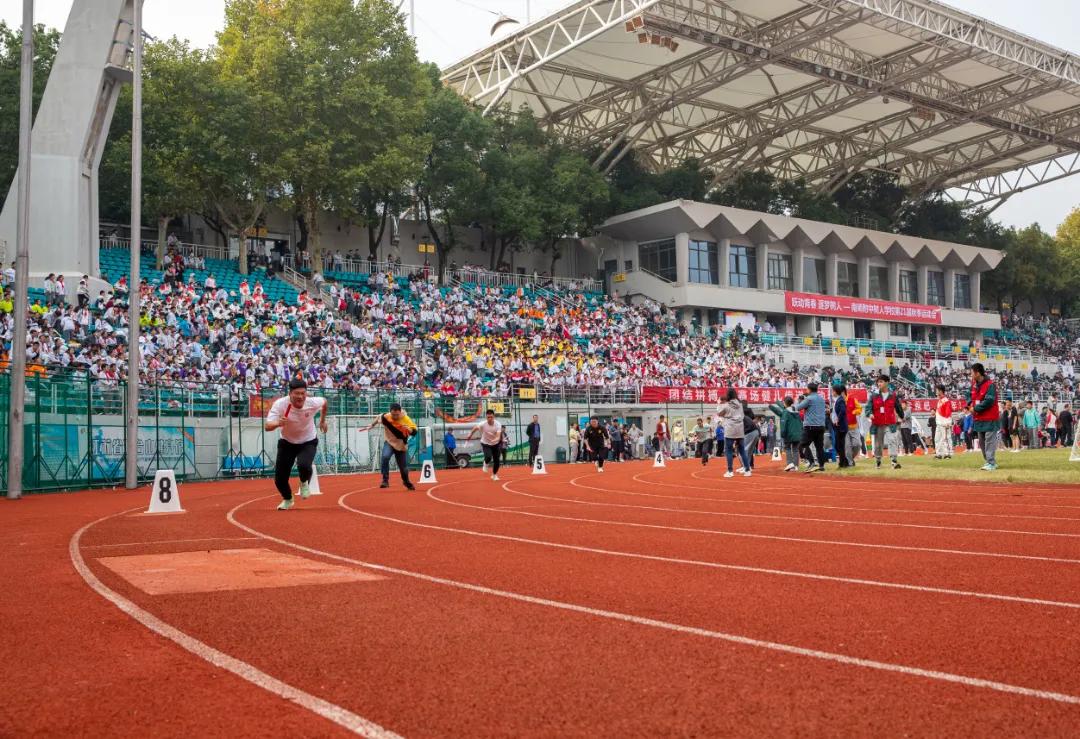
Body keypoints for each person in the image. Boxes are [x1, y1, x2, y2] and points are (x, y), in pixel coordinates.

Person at [264, 378, 328, 510]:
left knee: (304, 465)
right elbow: (267, 426)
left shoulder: (311, 402)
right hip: (287, 442)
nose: (300, 397)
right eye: (297, 393)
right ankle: (288, 499)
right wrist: (278, 423)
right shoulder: (280, 404)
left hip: (308, 441)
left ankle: (304, 482)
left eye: (303, 393)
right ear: (290, 393)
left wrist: (322, 421)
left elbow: (325, 402)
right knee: (280, 480)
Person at [365, 402, 417, 490]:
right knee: (385, 457)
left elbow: (415, 431)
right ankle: (385, 480)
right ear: (390, 412)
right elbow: (378, 417)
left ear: (400, 412)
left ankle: (406, 482)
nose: (395, 416)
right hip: (389, 442)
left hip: (401, 445)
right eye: (393, 414)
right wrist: (372, 425)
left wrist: (409, 430)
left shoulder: (406, 419)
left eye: (397, 414)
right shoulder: (386, 416)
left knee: (403, 468)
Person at [864, 374, 903, 470]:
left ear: (887, 382)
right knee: (878, 445)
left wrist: (902, 416)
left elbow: (898, 407)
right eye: (878, 382)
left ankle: (894, 461)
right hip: (877, 424)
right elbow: (868, 408)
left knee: (892, 441)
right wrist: (869, 414)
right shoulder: (873, 395)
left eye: (881, 381)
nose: (879, 383)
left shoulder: (893, 395)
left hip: (890, 423)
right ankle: (878, 461)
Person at [970, 363, 1000, 471]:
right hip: (979, 418)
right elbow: (971, 397)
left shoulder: (990, 384)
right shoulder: (974, 384)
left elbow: (989, 401)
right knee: (982, 442)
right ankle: (988, 461)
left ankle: (991, 463)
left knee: (989, 441)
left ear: (977, 373)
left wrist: (976, 408)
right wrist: (968, 405)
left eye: (972, 372)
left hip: (990, 418)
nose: (971, 375)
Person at [716, 388, 751, 478]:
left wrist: (719, 403)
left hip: (730, 429)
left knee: (728, 450)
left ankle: (730, 471)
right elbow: (742, 416)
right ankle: (747, 470)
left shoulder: (726, 405)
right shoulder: (740, 405)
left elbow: (719, 413)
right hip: (739, 428)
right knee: (742, 450)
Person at [795, 382, 827, 473]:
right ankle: (821, 466)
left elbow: (798, 408)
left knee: (803, 445)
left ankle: (812, 462)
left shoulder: (808, 399)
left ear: (809, 390)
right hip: (821, 426)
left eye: (806, 389)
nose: (806, 390)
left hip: (810, 426)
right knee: (819, 447)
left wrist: (799, 401)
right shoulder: (821, 398)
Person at [466, 409, 505, 481]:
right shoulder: (483, 424)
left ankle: (494, 475)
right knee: (488, 457)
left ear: (494, 417)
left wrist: (495, 440)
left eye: (491, 417)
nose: (490, 419)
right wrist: (470, 434)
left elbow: (498, 435)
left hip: (495, 444)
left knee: (497, 460)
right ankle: (485, 463)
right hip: (485, 443)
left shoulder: (498, 424)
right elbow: (475, 428)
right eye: (488, 417)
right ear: (486, 417)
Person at [769, 396, 803, 472]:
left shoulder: (786, 412)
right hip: (798, 434)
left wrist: (782, 434)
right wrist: (775, 403)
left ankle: (790, 463)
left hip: (789, 434)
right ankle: (796, 466)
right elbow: (780, 412)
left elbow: (784, 424)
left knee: (787, 448)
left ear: (784, 403)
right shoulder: (796, 411)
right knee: (795, 450)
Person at [833, 384, 852, 467]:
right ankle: (843, 462)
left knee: (838, 445)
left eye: (833, 391)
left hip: (841, 426)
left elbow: (843, 410)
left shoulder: (840, 400)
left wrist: (838, 419)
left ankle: (844, 462)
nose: (832, 392)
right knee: (839, 445)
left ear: (836, 391)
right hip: (839, 426)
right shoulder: (838, 399)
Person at [934, 385, 953, 459]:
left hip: (944, 423)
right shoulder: (939, 400)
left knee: (945, 438)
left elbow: (948, 413)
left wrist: (948, 422)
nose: (936, 392)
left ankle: (947, 453)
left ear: (941, 391)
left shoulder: (946, 400)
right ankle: (938, 454)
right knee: (937, 439)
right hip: (938, 423)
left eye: (937, 390)